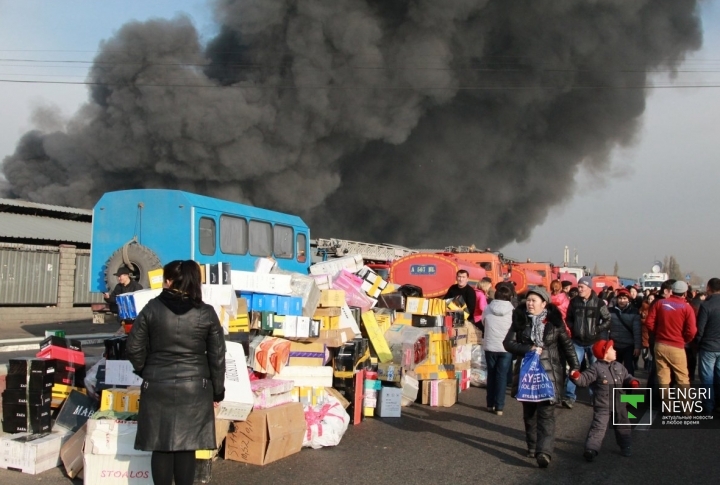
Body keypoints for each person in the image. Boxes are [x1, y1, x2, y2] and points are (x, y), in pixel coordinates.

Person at [127, 260, 226, 485]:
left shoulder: (152, 307)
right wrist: (217, 392)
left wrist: (146, 370)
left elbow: (133, 346)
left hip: (157, 383)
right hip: (195, 388)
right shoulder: (206, 312)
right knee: (186, 446)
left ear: (170, 281)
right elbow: (218, 356)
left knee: (160, 445)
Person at [503, 286, 580, 468]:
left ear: (544, 303)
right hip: (527, 374)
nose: (529, 304)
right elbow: (508, 343)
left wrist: (575, 366)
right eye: (528, 300)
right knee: (529, 414)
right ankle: (532, 446)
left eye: (534, 301)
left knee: (546, 414)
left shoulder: (554, 322)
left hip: (549, 373)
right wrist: (527, 348)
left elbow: (567, 345)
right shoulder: (520, 321)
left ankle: (544, 452)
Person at [569, 340, 640, 461]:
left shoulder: (618, 366)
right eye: (612, 349)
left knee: (623, 426)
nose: (615, 350)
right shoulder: (596, 367)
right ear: (605, 353)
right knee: (598, 427)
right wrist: (576, 376)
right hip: (603, 404)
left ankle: (626, 446)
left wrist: (632, 381)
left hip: (620, 403)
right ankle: (591, 449)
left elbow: (627, 376)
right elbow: (584, 379)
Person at [645, 280, 697, 407]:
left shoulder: (660, 304)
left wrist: (658, 333)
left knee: (663, 377)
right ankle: (687, 408)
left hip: (660, 344)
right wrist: (685, 340)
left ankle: (667, 406)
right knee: (682, 378)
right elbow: (692, 330)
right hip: (677, 346)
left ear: (672, 290)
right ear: (685, 293)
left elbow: (649, 322)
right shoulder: (687, 307)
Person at [563, 276, 612, 409]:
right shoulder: (574, 302)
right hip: (577, 341)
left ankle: (594, 397)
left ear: (589, 288)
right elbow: (568, 318)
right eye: (578, 286)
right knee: (574, 367)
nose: (579, 289)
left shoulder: (599, 303)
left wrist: (597, 329)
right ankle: (569, 397)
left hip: (593, 342)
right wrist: (573, 328)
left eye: (581, 287)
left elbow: (608, 319)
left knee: (595, 370)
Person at [482, 285, 515, 415]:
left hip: (490, 345)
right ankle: (499, 407)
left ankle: (490, 404)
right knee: (501, 377)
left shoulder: (487, 308)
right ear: (509, 297)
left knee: (491, 375)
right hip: (505, 347)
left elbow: (484, 322)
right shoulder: (512, 310)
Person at [696, 278, 720, 414]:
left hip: (708, 346)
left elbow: (700, 328)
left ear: (709, 288)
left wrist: (698, 343)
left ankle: (708, 406)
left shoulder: (706, 305)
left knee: (707, 378)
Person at [608, 289, 641, 375]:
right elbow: (605, 328)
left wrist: (637, 347)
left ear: (628, 299)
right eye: (620, 298)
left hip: (628, 346)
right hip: (614, 345)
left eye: (624, 298)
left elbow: (637, 331)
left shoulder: (634, 312)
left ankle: (629, 387)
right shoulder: (610, 311)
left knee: (629, 369)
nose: (622, 301)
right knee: (613, 369)